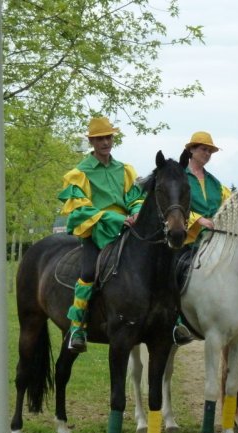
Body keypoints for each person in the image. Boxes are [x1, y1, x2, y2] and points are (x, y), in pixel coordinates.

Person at [59, 117, 145, 353]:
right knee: (87, 273)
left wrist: (136, 211)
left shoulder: (125, 170)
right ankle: (77, 327)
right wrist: (117, 218)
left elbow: (136, 197)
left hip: (128, 229)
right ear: (91, 141)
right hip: (97, 229)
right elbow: (82, 207)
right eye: (99, 139)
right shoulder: (79, 173)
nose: (105, 142)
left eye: (108, 137)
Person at [175, 131, 232, 343]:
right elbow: (174, 207)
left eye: (210, 151)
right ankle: (176, 322)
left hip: (216, 241)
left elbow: (229, 206)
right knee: (174, 272)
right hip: (187, 241)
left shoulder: (215, 183)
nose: (207, 153)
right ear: (191, 150)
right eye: (203, 149)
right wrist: (198, 220)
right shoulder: (179, 177)